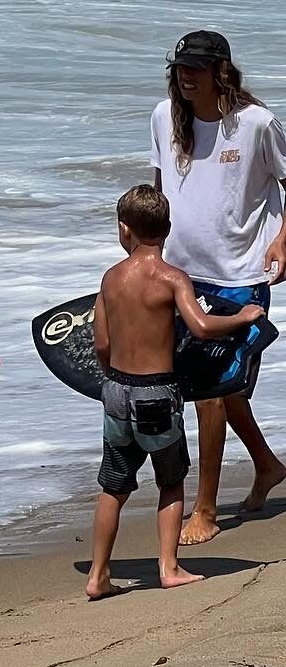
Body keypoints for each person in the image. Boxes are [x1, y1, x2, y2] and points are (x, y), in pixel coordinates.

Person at [87, 185, 264, 600]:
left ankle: (97, 575)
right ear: (167, 231)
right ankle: (168, 568)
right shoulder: (172, 278)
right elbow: (201, 326)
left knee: (114, 485)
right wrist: (241, 316)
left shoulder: (111, 278)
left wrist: (109, 376)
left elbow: (101, 342)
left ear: (123, 230)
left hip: (116, 390)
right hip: (156, 394)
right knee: (169, 481)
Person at [150, 29, 286, 545]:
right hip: (180, 273)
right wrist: (148, 257)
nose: (187, 75)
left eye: (198, 68)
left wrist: (283, 244)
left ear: (221, 72)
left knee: (210, 395)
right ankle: (268, 466)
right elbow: (161, 188)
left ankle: (204, 508)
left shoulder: (256, 124)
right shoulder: (165, 116)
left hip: (241, 276)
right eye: (182, 66)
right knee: (216, 390)